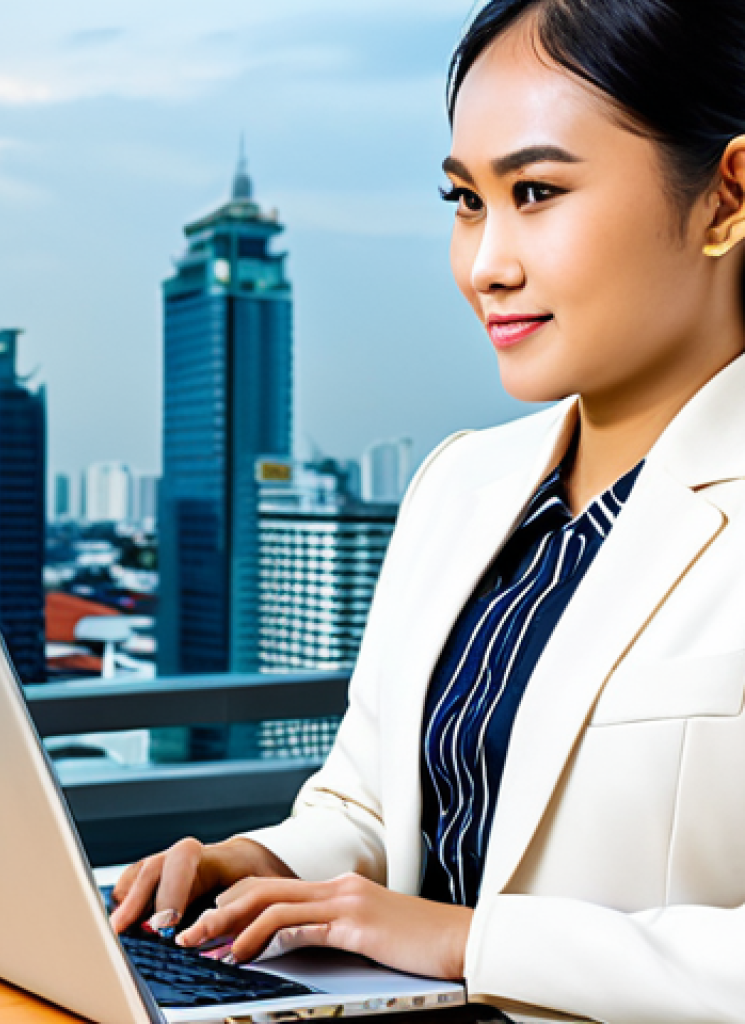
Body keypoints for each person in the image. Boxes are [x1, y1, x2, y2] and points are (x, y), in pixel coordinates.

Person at [111, 1, 745, 1020]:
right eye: (464, 201)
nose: (483, 264)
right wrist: (254, 862)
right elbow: (370, 800)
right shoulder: (461, 484)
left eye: (535, 192)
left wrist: (468, 941)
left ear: (726, 197)